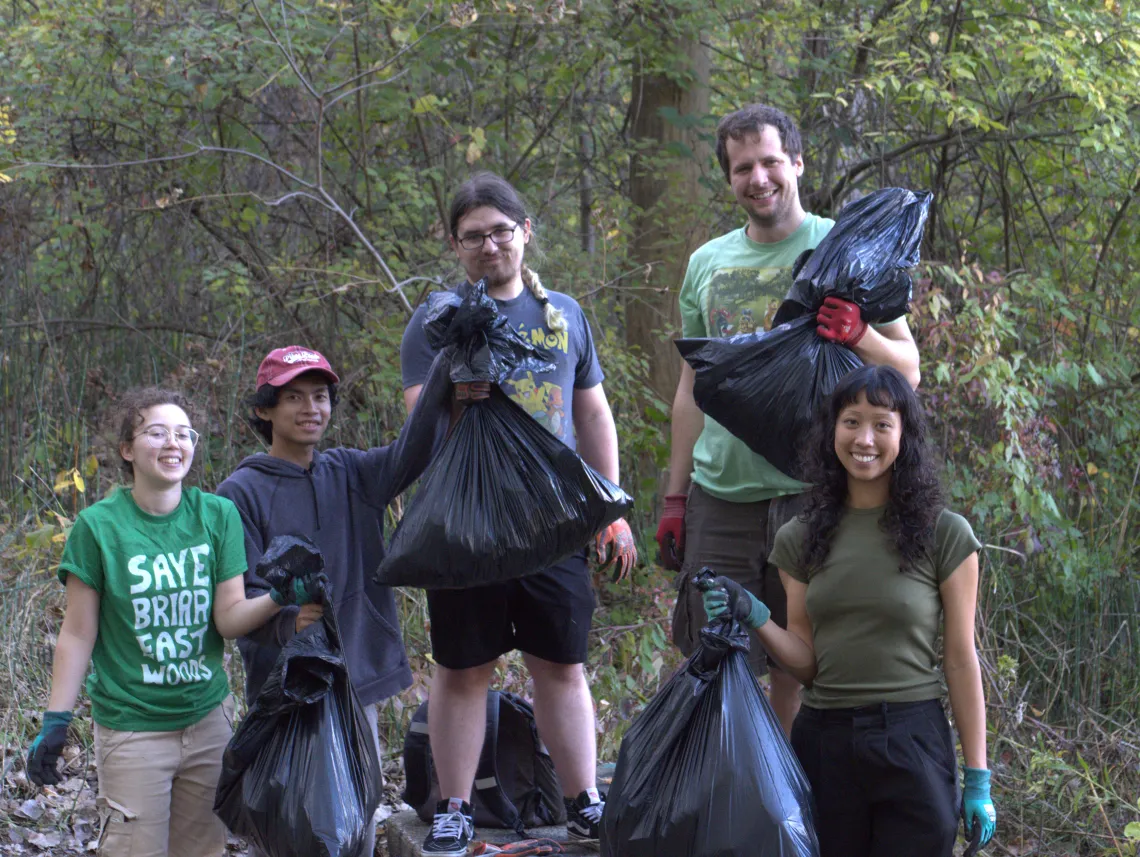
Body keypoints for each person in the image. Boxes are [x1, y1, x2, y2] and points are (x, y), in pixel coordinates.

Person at [658, 103, 922, 734]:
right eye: (742, 167)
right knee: (712, 657)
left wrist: (861, 335)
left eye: (771, 161)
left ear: (797, 163)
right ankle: (723, 804)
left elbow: (907, 368)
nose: (759, 177)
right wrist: (675, 498)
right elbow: (692, 389)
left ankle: (796, 810)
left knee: (806, 666)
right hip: (722, 497)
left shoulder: (844, 246)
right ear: (729, 180)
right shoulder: (706, 264)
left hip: (818, 493)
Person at [400, 171, 637, 856]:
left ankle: (583, 798)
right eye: (472, 236)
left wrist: (610, 507)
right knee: (462, 666)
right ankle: (453, 805)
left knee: (559, 662)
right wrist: (453, 386)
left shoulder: (563, 313)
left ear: (525, 232)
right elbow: (419, 412)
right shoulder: (438, 318)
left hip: (553, 519)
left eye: (501, 231)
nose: (489, 245)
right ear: (454, 245)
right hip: (466, 520)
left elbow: (592, 411)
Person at [702, 364, 997, 857]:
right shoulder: (799, 538)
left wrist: (979, 779)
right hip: (825, 744)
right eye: (851, 421)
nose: (865, 438)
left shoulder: (945, 535)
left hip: (911, 742)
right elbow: (806, 664)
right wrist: (754, 615)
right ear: (831, 431)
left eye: (882, 423)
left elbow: (961, 660)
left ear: (904, 435)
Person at [25, 387, 320, 857]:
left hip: (208, 723)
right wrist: (56, 720)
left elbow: (227, 618)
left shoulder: (216, 515)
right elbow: (78, 633)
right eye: (156, 432)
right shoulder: (99, 528)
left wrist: (280, 599)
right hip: (132, 729)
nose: (172, 443)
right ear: (127, 450)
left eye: (183, 434)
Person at [216, 344, 456, 857]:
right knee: (288, 819)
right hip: (285, 689)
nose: (311, 408)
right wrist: (289, 622)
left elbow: (415, 448)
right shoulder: (239, 493)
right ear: (264, 410)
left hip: (357, 681)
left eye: (321, 397)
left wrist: (445, 370)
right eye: (294, 397)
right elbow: (241, 599)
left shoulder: (354, 473)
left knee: (355, 819)